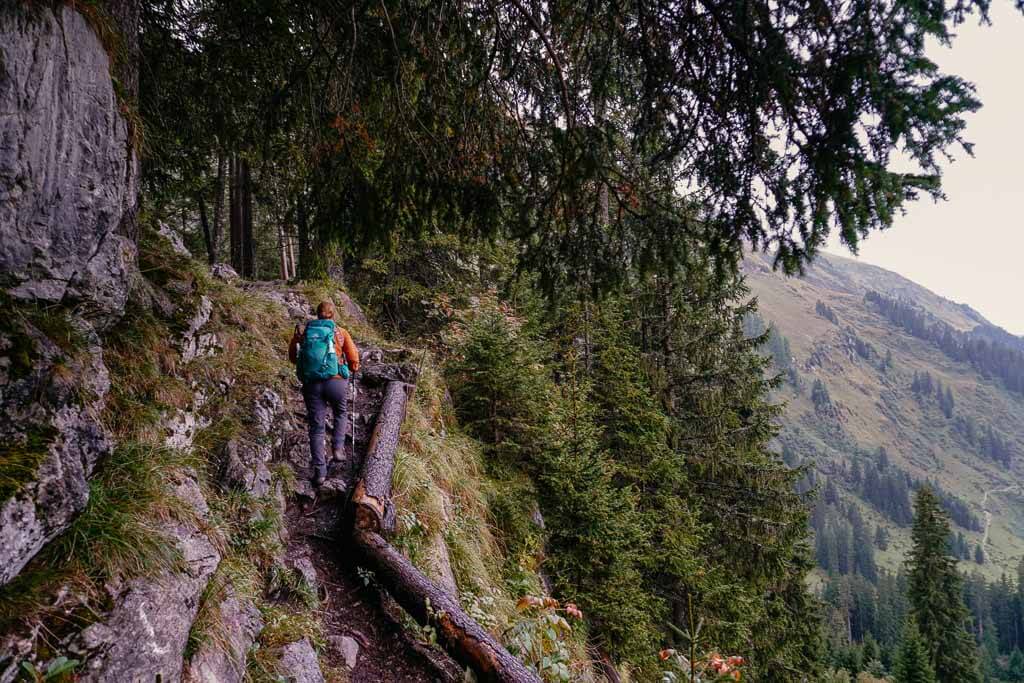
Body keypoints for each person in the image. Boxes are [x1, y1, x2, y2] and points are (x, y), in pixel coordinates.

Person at [289, 301, 360, 488]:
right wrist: (351, 368)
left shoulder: (307, 333)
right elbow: (353, 359)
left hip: (312, 385)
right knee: (340, 412)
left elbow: (292, 358)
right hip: (336, 382)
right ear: (332, 315)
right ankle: (337, 448)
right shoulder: (340, 332)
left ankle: (320, 473)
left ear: (317, 314)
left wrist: (296, 340)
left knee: (316, 428)